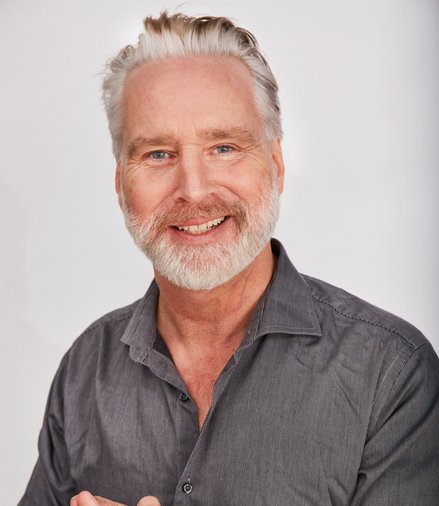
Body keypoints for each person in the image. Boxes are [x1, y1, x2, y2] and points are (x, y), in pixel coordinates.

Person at [19, 12, 439, 506]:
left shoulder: (391, 374)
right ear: (119, 183)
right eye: (157, 154)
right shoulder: (85, 369)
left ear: (276, 164)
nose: (194, 191)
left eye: (224, 147)